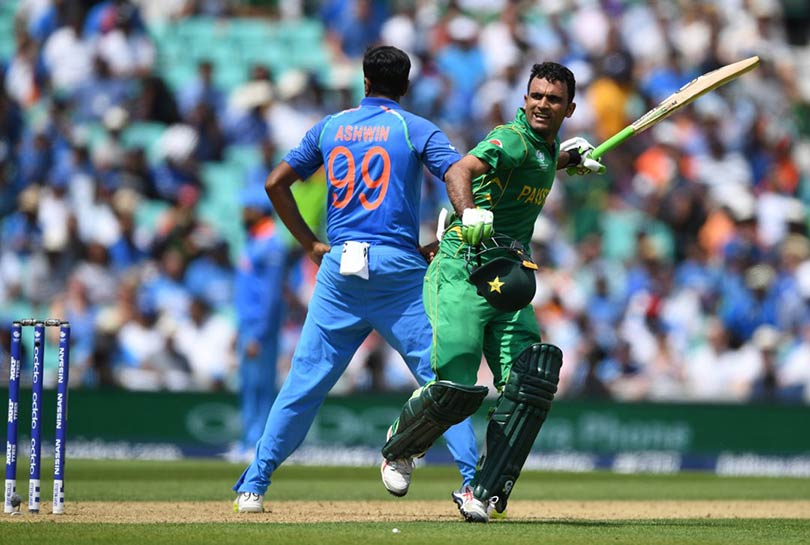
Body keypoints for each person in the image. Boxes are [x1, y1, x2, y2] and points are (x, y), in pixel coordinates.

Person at [232, 45, 478, 513]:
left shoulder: (329, 127)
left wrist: (308, 243)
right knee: (444, 381)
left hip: (340, 270)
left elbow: (274, 183)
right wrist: (453, 232)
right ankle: (473, 484)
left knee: (304, 384)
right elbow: (458, 173)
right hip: (399, 272)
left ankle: (254, 486)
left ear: (364, 82)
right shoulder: (414, 127)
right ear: (405, 86)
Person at [379, 61, 604, 522]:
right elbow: (461, 171)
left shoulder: (544, 147)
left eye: (554, 99)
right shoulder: (512, 137)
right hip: (463, 266)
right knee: (459, 390)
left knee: (532, 380)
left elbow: (536, 164)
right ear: (524, 100)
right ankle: (400, 449)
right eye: (536, 96)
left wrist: (568, 159)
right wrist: (469, 212)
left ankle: (481, 492)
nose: (543, 104)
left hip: (508, 274)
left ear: (570, 108)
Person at [230, 183, 287, 461]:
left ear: (258, 211)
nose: (242, 213)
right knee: (248, 385)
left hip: (259, 329)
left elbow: (270, 296)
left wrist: (258, 333)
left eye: (246, 209)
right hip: (247, 326)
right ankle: (247, 440)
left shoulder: (271, 244)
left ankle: (257, 444)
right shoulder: (254, 241)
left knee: (260, 386)